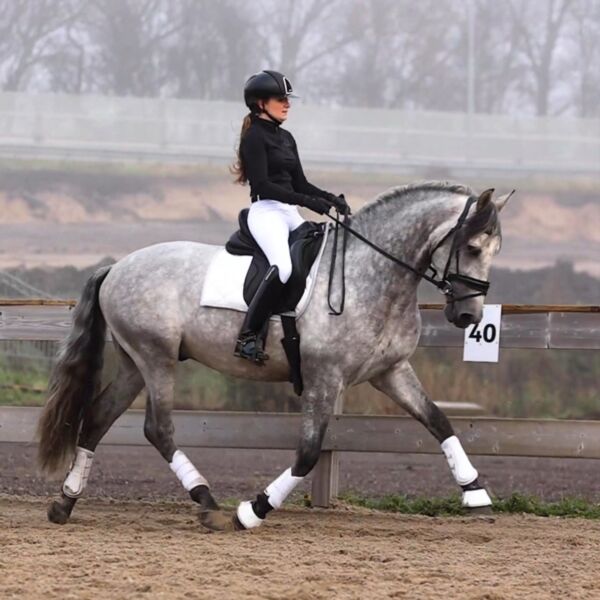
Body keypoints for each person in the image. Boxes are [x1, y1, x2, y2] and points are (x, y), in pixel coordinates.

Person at [231, 69, 349, 364]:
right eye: (280, 99)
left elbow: (300, 184)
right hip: (266, 212)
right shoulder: (254, 137)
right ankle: (248, 336)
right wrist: (307, 202)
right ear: (261, 103)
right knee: (283, 267)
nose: (287, 104)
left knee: (320, 257)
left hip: (288, 212)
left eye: (288, 99)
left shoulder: (286, 138)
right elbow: (263, 185)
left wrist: (329, 199)